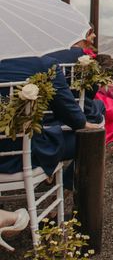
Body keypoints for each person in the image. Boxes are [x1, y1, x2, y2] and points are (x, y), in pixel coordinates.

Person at [0, 56, 102, 189]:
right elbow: (68, 110)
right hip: (26, 155)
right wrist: (84, 124)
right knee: (91, 140)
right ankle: (73, 192)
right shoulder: (43, 64)